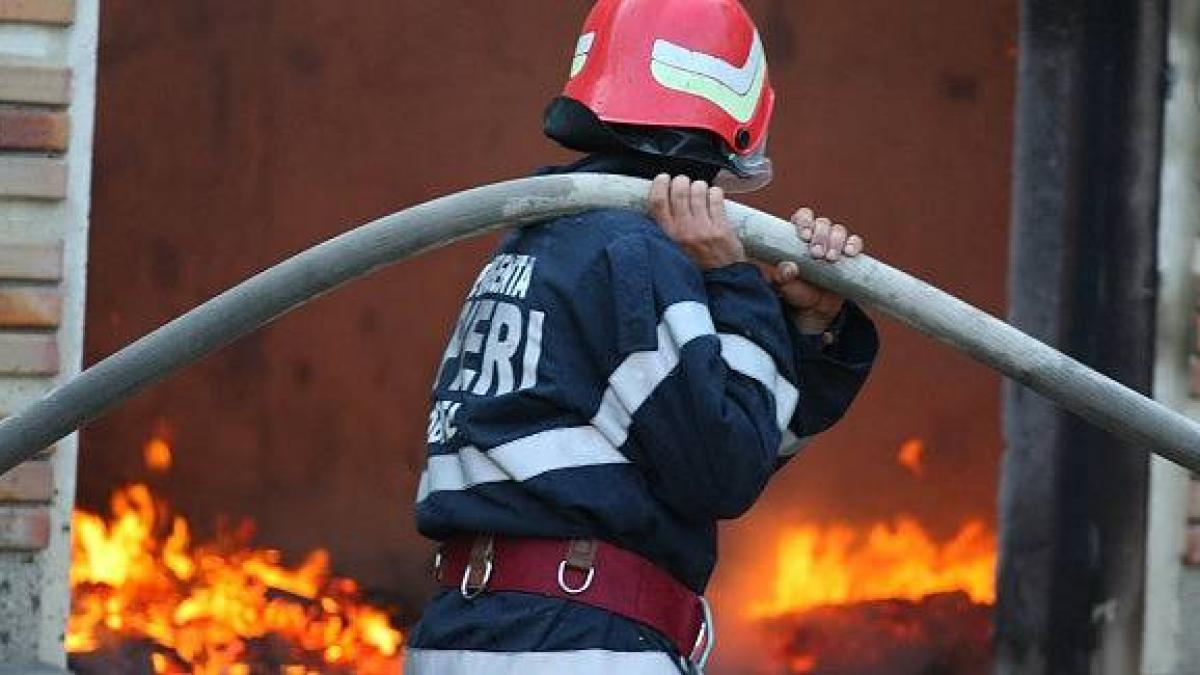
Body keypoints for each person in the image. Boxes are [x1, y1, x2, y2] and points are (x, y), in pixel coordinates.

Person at [405, 0, 878, 673]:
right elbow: (725, 470)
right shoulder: (632, 254)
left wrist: (810, 329)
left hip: (473, 633)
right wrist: (736, 285)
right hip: (571, 643)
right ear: (738, 114)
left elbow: (703, 435)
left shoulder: (547, 243)